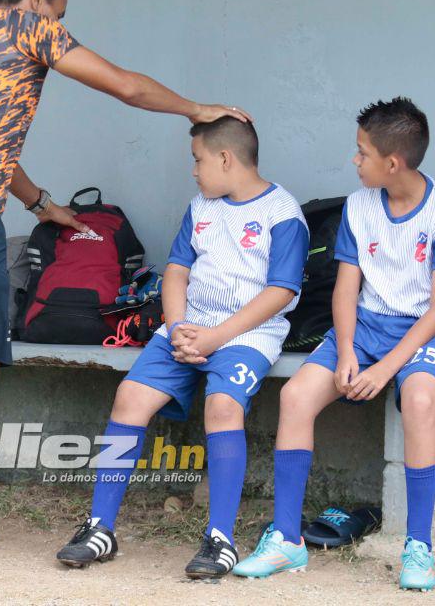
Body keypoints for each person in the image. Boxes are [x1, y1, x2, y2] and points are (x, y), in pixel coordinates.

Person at [0, 0, 253, 560]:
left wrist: (41, 204)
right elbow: (125, 85)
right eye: (61, 12)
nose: (61, 24)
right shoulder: (28, 25)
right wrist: (196, 109)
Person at [233, 98, 435, 592]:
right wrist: (345, 351)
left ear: (393, 162)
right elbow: (345, 289)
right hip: (364, 327)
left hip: (425, 329)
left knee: (421, 399)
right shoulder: (359, 205)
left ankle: (418, 546)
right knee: (297, 395)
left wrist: (385, 371)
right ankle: (287, 541)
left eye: (362, 152)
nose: (354, 160)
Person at [55, 117, 308, 578]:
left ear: (226, 158)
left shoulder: (282, 212)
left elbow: (281, 291)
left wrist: (215, 337)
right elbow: (176, 271)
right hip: (188, 326)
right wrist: (177, 328)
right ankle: (99, 526)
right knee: (129, 397)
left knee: (223, 404)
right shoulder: (201, 206)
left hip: (248, 333)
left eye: (198, 160)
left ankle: (220, 539)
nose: (194, 171)